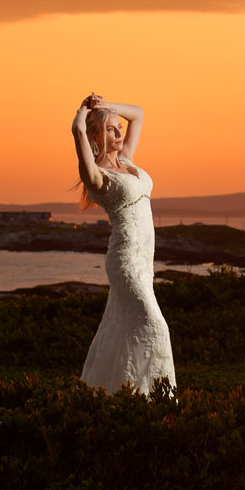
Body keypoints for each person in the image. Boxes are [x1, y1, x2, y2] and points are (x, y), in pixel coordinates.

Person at [70, 93, 176, 394]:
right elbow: (78, 131)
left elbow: (139, 113)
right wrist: (83, 111)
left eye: (118, 127)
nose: (118, 133)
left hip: (145, 263)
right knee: (155, 326)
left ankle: (120, 395)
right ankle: (156, 399)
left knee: (127, 330)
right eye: (111, 129)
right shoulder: (97, 176)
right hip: (125, 262)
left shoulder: (127, 160)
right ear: (95, 136)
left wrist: (106, 107)